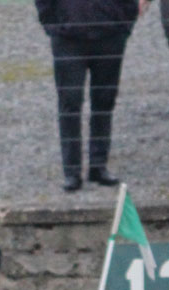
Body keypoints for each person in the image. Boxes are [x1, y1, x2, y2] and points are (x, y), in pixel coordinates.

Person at [35, 0, 152, 192]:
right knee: (70, 104)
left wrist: (123, 26)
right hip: (68, 38)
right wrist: (53, 26)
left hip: (110, 36)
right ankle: (72, 172)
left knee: (104, 102)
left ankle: (98, 166)